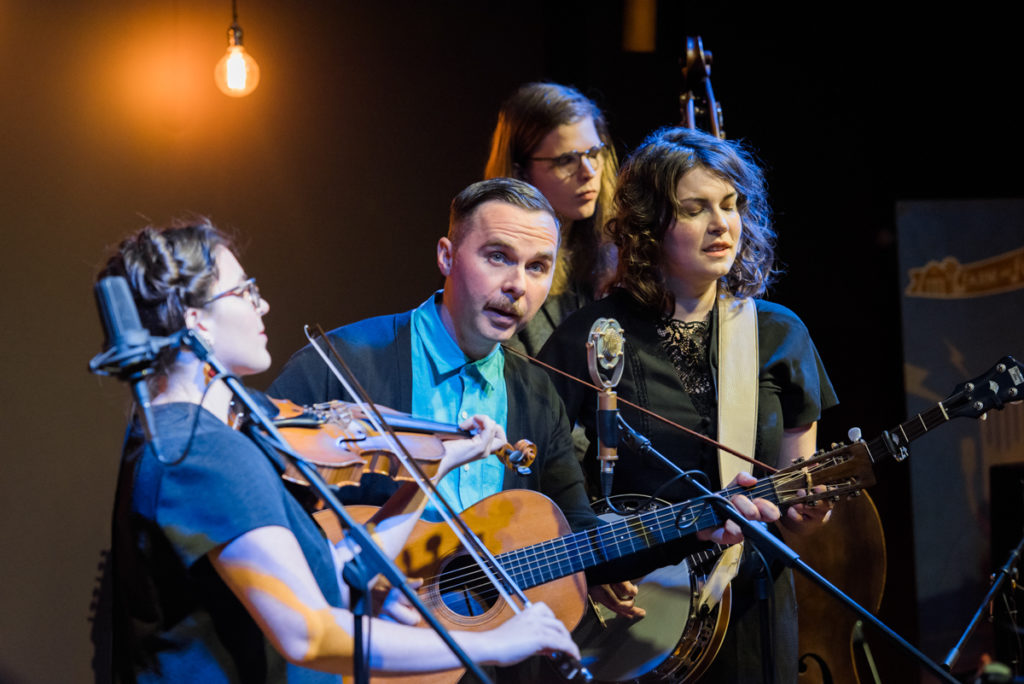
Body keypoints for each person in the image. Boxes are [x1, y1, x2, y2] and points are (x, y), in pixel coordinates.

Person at [268, 178, 779, 677]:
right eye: (497, 257)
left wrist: (694, 529)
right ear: (447, 256)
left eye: (538, 267)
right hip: (355, 651)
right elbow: (258, 494)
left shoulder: (535, 391)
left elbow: (579, 540)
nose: (517, 285)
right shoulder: (345, 361)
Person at [100, 219, 581, 683]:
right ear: (194, 320)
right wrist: (494, 643)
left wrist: (431, 469)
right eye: (244, 292)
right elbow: (308, 632)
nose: (262, 305)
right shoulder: (199, 452)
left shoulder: (187, 437)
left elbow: (336, 574)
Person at [538, 127, 839, 684]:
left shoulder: (781, 336)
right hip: (637, 618)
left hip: (753, 612)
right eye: (695, 209)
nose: (721, 224)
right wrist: (588, 567)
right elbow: (538, 478)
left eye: (730, 205)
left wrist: (809, 512)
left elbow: (797, 506)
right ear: (649, 228)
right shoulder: (593, 336)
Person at [484, 82, 619, 355]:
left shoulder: (611, 252)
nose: (589, 172)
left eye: (594, 154)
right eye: (566, 160)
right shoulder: (493, 267)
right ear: (521, 172)